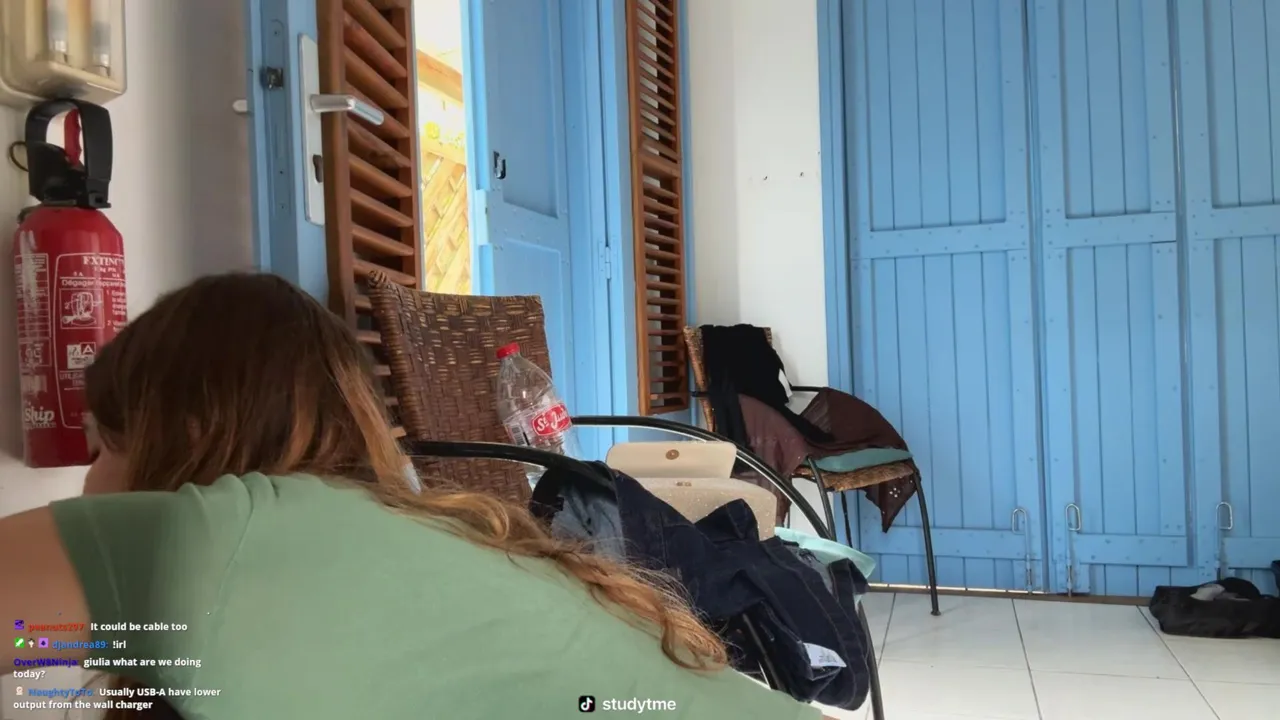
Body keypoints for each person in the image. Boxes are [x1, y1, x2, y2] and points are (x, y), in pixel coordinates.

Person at [1, 273, 827, 719]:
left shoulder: (227, 549)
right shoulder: (402, 548)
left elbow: (21, 630)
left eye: (104, 444)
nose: (87, 481)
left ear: (181, 439)